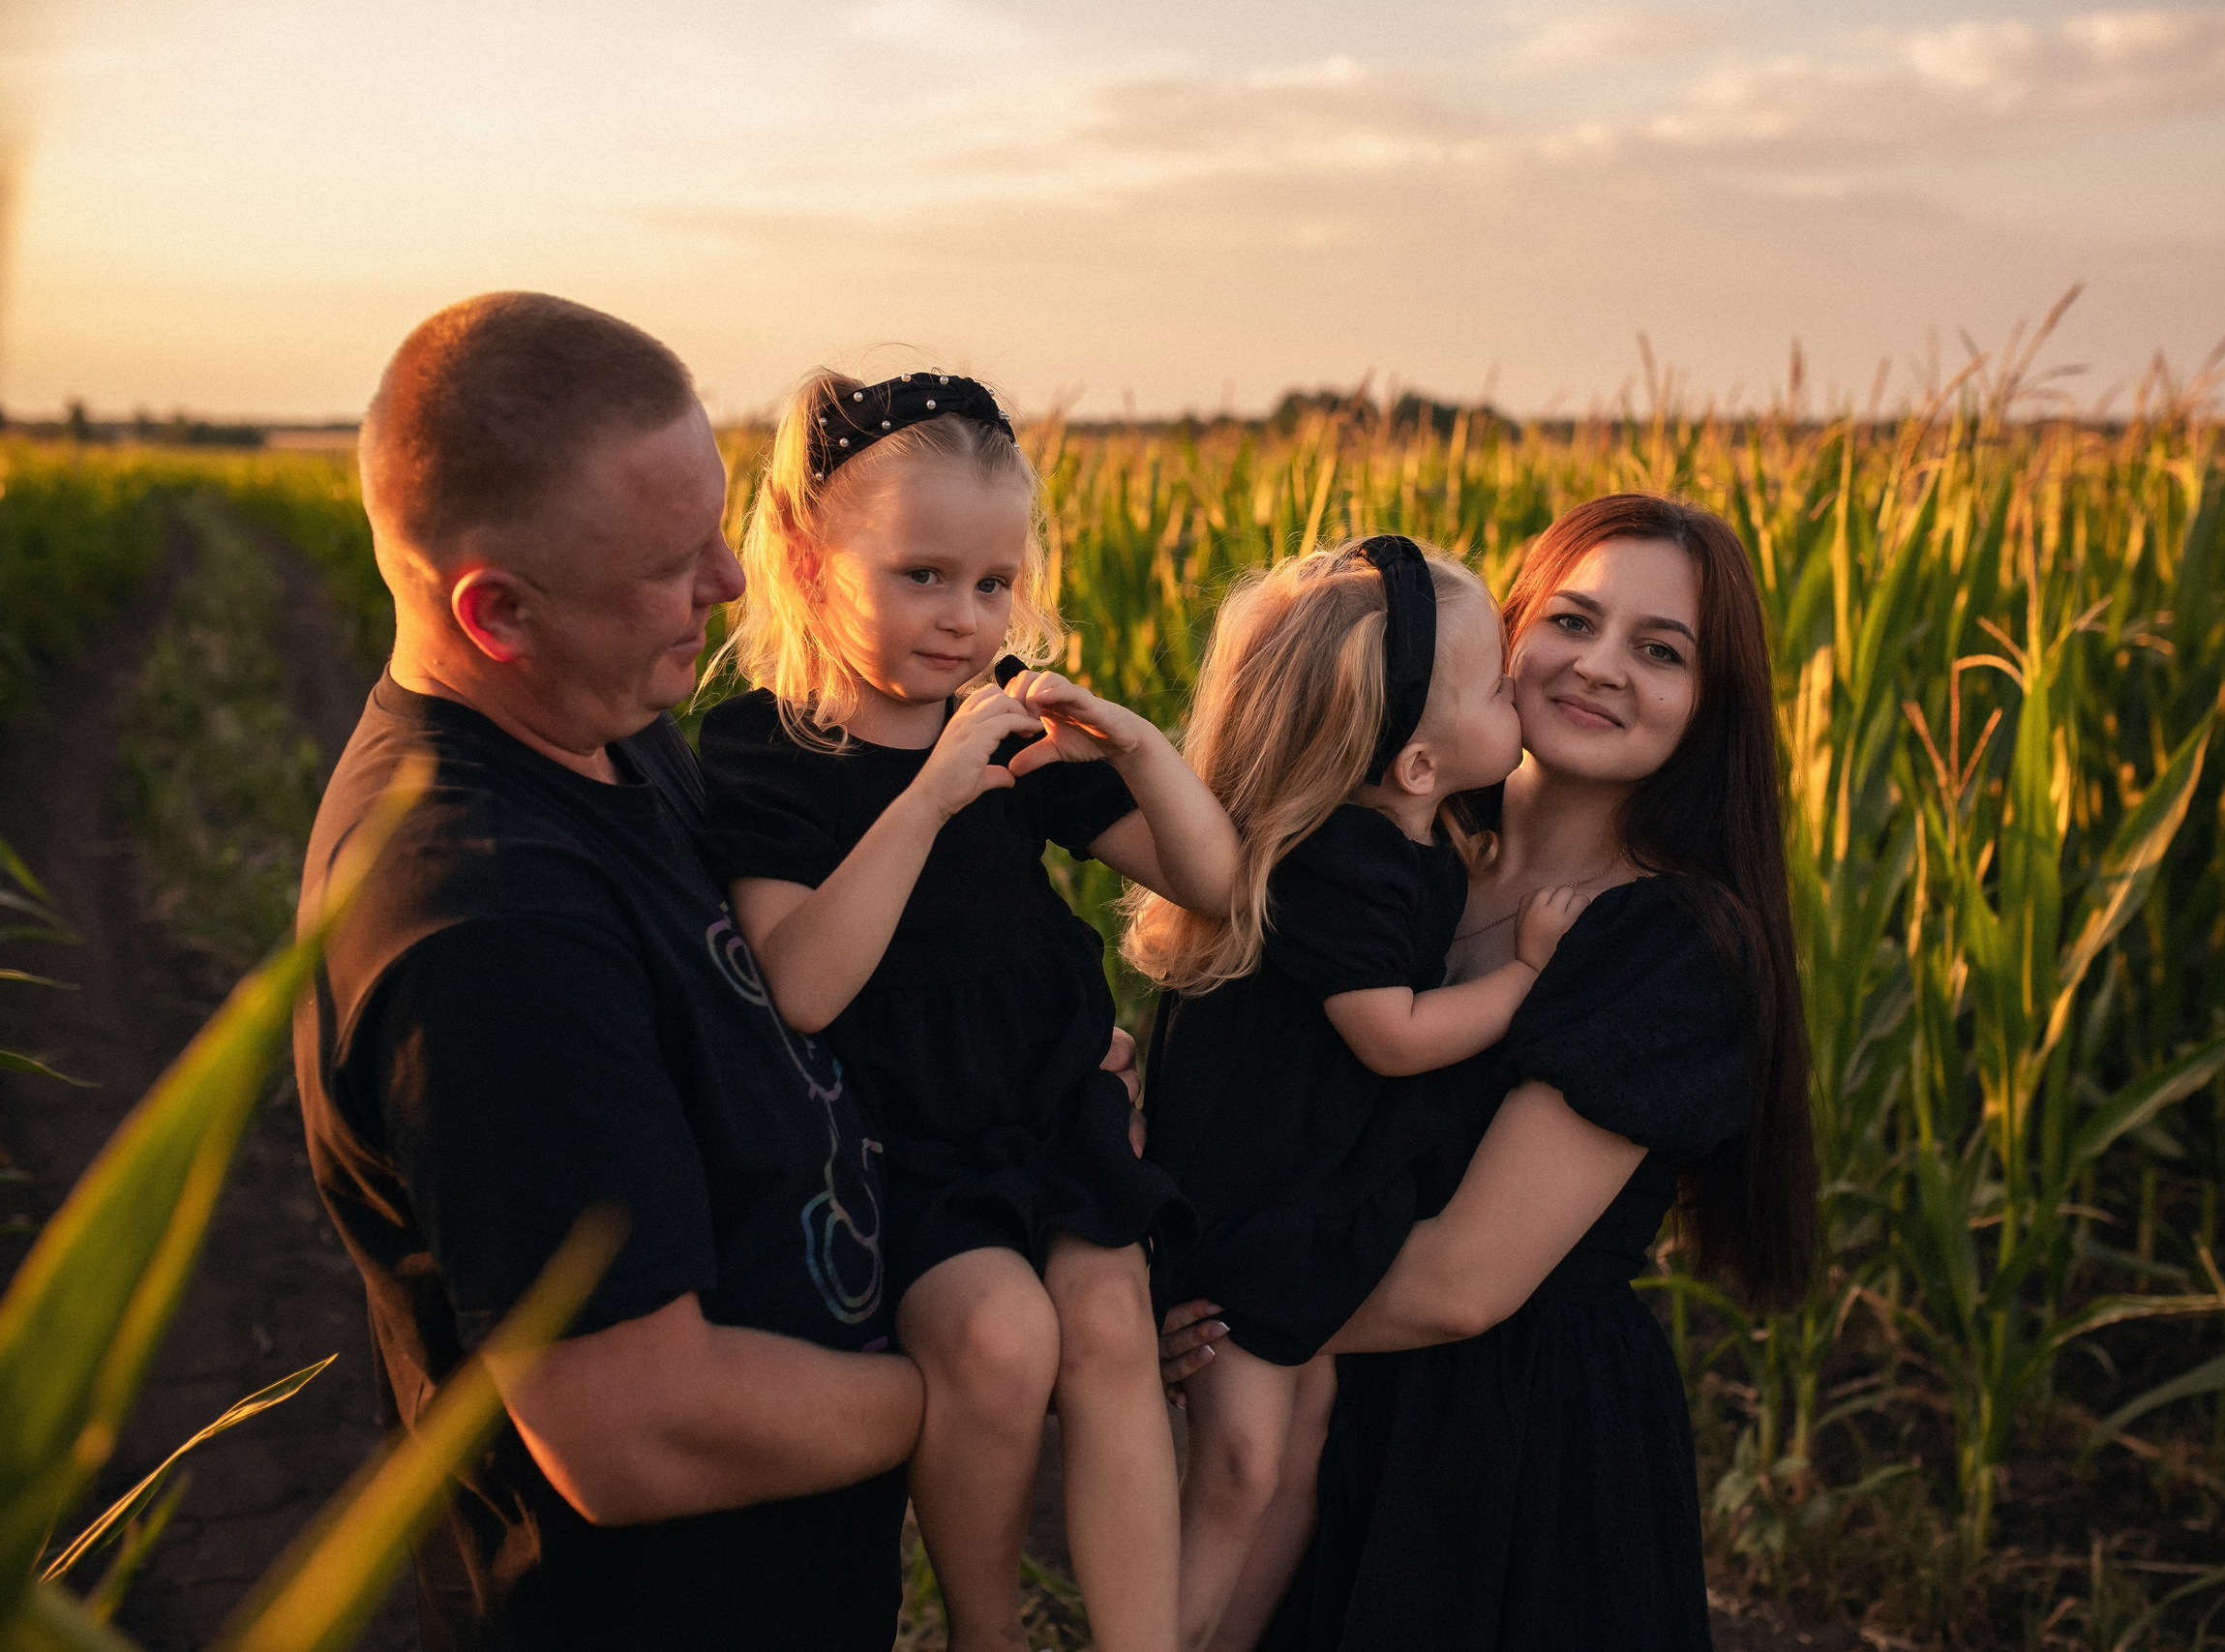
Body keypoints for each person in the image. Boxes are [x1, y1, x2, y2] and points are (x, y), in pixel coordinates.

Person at [297, 293, 1122, 1651]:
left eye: (720, 529)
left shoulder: (611, 735)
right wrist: (974, 1379)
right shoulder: (489, 929)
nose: (734, 585)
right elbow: (641, 1430)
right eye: (673, 562)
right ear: (496, 609)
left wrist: (1048, 1071)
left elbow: (758, 1019)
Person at [1163, 493, 1821, 1652]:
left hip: (1503, 1469)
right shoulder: (1385, 859)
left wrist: (1211, 1313)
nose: (1601, 667)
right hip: (1313, 1415)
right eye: (1572, 621)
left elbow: (1463, 1280)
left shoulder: (1666, 948)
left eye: (1659, 652)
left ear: (1708, 708)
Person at [694, 368, 1239, 1652]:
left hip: (1047, 1106)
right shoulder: (765, 752)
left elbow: (1212, 887)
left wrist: (1143, 748)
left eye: (993, 583)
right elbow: (804, 983)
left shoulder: (1011, 736)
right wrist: (935, 791)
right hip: (902, 1144)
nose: (964, 616)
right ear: (812, 560)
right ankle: (983, 1630)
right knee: (999, 1336)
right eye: (921, 574)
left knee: (1108, 1325)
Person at [1120, 536, 1584, 1651]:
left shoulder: (1416, 839)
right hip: (1253, 1202)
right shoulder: (1342, 861)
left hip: (1307, 1188)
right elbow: (1388, 1036)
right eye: (1491, 681)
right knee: (1238, 1460)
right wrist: (1525, 976)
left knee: (1300, 1445)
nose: (1519, 680)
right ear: (1418, 765)